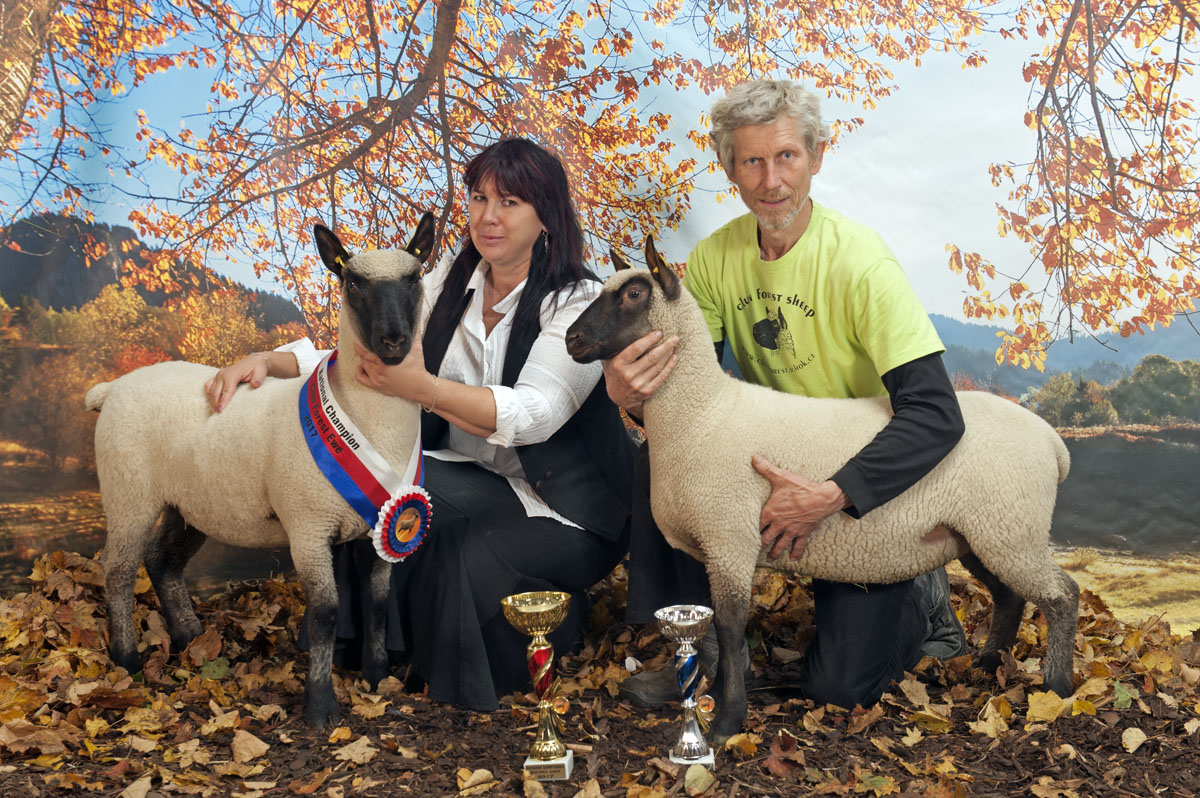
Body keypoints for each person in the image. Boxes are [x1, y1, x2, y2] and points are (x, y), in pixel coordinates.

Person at [205, 138, 635, 711]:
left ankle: (493, 649)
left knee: (454, 542)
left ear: (546, 217)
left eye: (509, 202)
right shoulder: (446, 282)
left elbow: (534, 414)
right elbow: (360, 352)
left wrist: (421, 389)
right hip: (468, 475)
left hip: (563, 509)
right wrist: (270, 361)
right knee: (361, 486)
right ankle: (367, 654)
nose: (487, 216)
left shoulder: (577, 300)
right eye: (478, 198)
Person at [605, 79, 967, 711]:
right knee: (663, 458)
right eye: (752, 161)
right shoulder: (714, 260)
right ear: (731, 171)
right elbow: (684, 395)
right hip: (771, 456)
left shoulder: (862, 263)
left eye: (786, 157)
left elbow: (937, 414)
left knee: (838, 689)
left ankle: (925, 601)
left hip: (856, 472)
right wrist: (625, 394)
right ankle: (703, 653)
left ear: (816, 157)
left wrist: (833, 493)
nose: (770, 180)